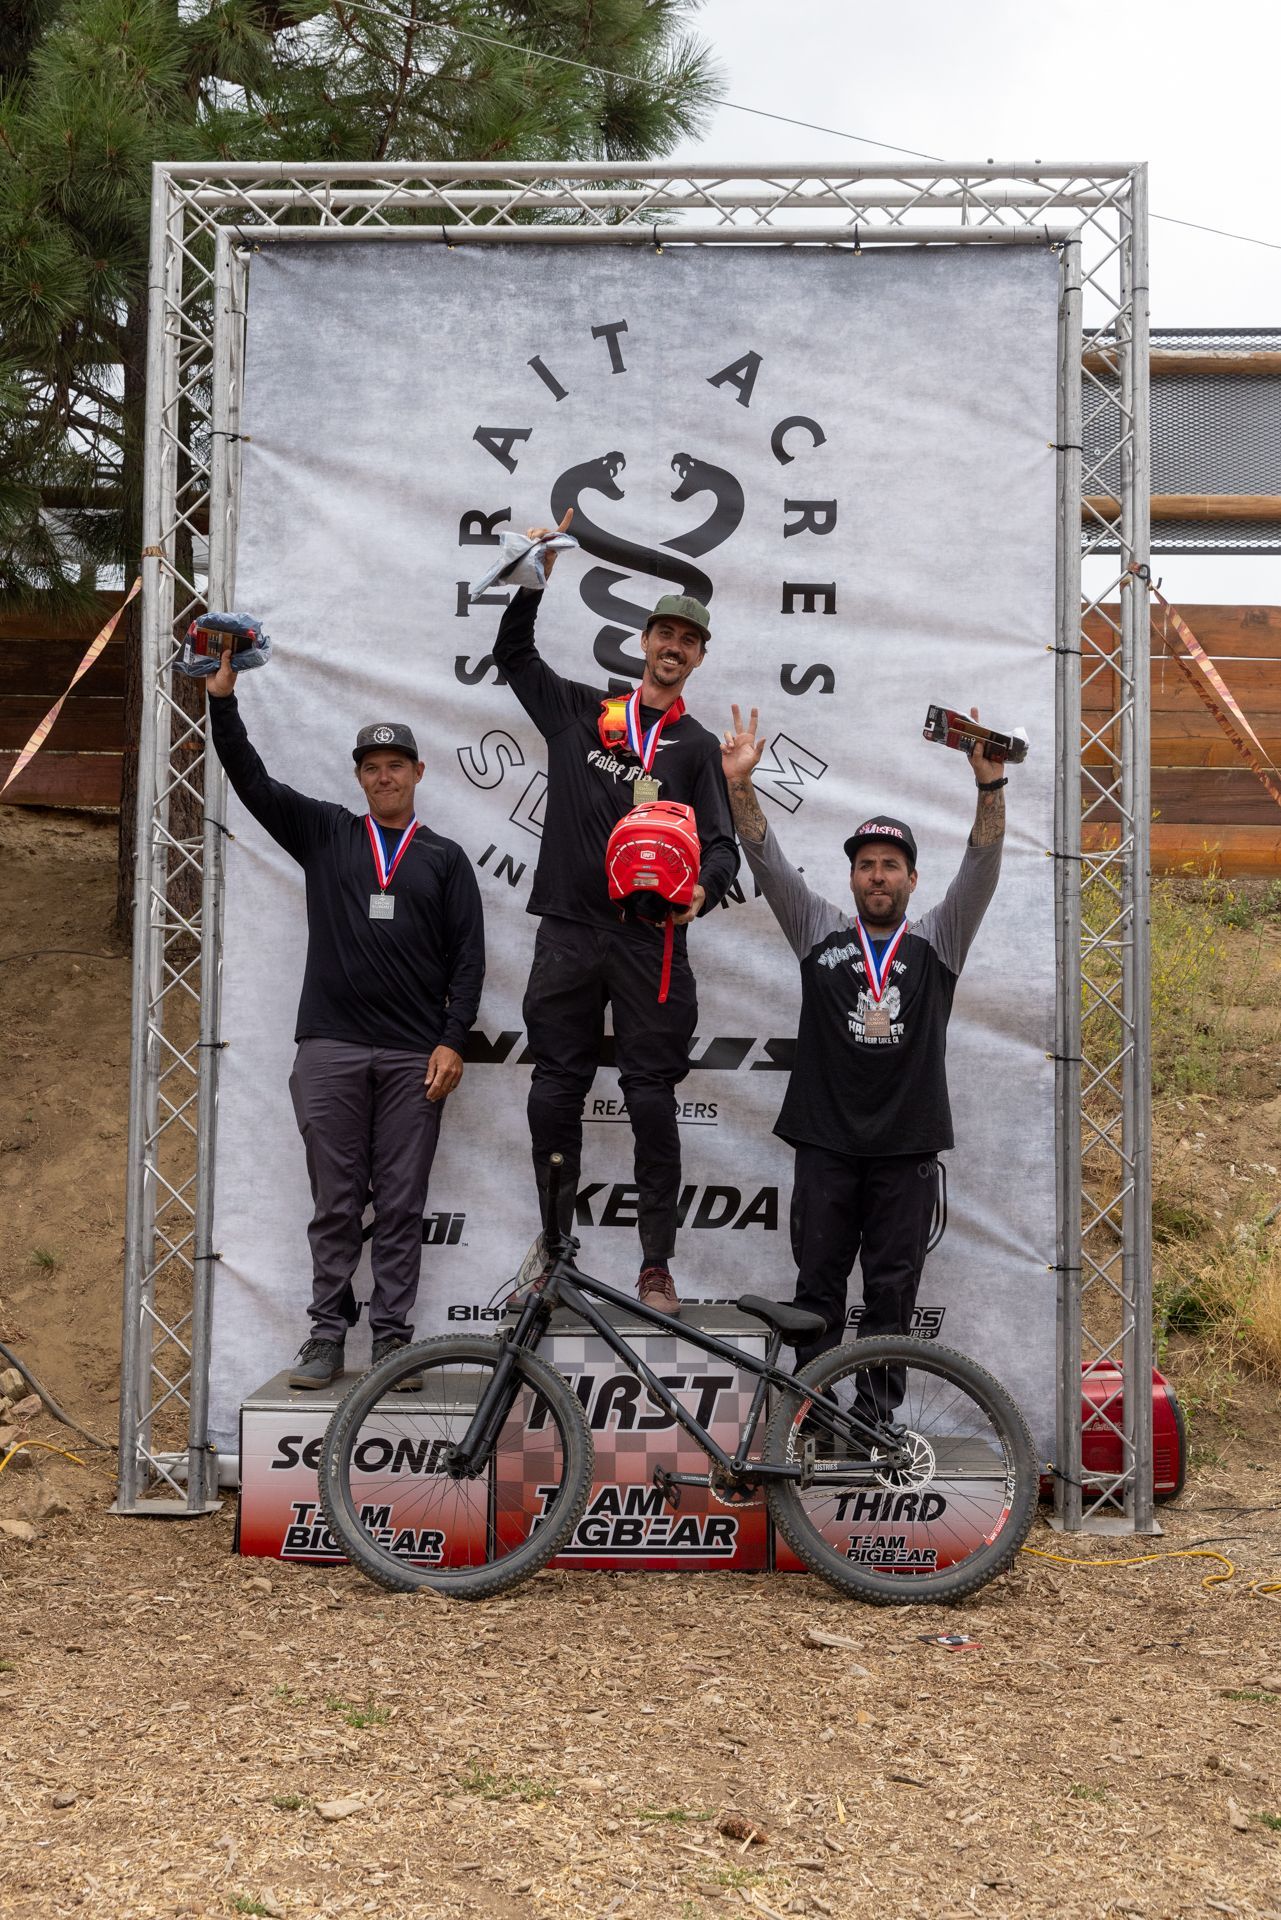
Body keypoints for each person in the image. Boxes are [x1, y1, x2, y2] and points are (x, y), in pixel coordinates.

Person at [206, 647, 485, 1389]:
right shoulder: (326, 833)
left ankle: (392, 1341)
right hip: (329, 1048)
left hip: (412, 1057)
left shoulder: (445, 859)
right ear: (359, 778)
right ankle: (326, 1336)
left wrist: (452, 1042)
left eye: (396, 765)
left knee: (400, 1203)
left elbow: (469, 961)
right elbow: (252, 780)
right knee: (335, 1202)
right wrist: (223, 702)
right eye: (371, 767)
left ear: (419, 772)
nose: (384, 776)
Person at [720, 703, 1009, 1410]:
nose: (878, 876)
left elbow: (981, 866)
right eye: (866, 866)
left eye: (891, 866)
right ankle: (814, 1419)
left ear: (912, 879)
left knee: (890, 1295)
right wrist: (739, 786)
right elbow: (766, 860)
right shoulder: (816, 928)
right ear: (851, 878)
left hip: (905, 1148)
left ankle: (876, 1424)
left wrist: (989, 786)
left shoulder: (939, 939)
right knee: (816, 1292)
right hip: (825, 1143)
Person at [492, 509, 739, 1315]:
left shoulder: (695, 748)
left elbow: (722, 847)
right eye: (664, 633)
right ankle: (555, 1256)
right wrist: (534, 580)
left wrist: (703, 890)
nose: (673, 647)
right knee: (554, 1089)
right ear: (643, 641)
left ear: (698, 657)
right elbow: (513, 657)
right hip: (568, 930)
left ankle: (655, 1267)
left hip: (647, 944)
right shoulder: (580, 713)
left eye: (688, 640)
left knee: (650, 1098)